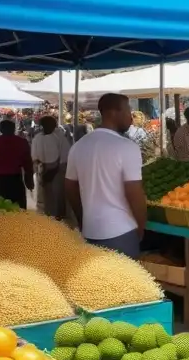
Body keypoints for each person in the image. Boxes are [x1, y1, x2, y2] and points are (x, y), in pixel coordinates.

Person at [65, 93, 146, 258]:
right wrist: (141, 227)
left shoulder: (79, 146)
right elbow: (134, 193)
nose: (131, 117)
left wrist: (82, 218)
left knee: (98, 282)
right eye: (127, 110)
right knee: (125, 282)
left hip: (90, 232)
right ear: (113, 112)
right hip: (121, 232)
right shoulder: (127, 147)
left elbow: (69, 186)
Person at [0, 119, 34, 208]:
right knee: (19, 209)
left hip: (1, 180)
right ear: (13, 129)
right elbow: (28, 163)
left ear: (0, 129)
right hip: (17, 180)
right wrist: (29, 180)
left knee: (1, 208)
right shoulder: (22, 142)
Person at [32, 115, 71, 219]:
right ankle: (48, 215)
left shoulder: (59, 137)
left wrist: (54, 170)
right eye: (45, 125)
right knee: (46, 196)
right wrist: (41, 169)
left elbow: (65, 157)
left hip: (58, 170)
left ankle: (59, 216)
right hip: (43, 170)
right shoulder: (38, 138)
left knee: (57, 195)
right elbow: (34, 157)